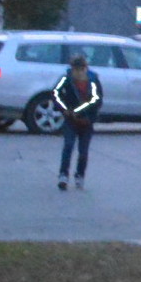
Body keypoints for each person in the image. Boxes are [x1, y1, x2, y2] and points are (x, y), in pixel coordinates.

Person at [52, 52, 103, 189]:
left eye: (81, 69)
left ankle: (80, 175)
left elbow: (96, 100)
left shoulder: (93, 80)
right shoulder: (66, 79)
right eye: (76, 69)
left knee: (83, 151)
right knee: (68, 146)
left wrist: (78, 111)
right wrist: (64, 109)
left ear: (85, 68)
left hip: (87, 121)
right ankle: (63, 175)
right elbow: (55, 94)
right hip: (70, 120)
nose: (79, 73)